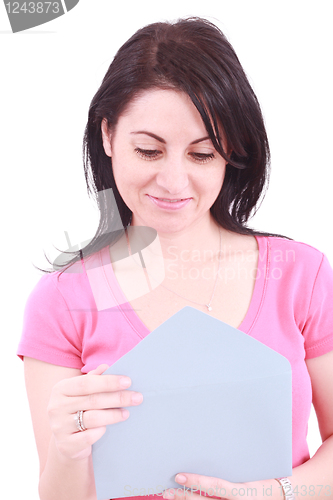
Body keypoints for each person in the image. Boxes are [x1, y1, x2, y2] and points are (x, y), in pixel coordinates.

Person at [17, 16, 333, 500]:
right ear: (107, 137)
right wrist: (66, 448)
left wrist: (274, 493)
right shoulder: (62, 301)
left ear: (231, 154)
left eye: (202, 155)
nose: (173, 182)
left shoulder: (300, 275)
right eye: (148, 151)